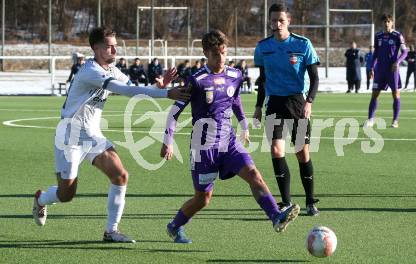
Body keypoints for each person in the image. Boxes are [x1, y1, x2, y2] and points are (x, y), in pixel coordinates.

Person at [32, 26, 190, 243]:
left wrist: (157, 85)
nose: (115, 51)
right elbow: (125, 91)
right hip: (70, 136)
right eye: (109, 47)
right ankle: (42, 198)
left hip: (93, 135)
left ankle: (111, 231)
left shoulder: (111, 69)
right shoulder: (90, 71)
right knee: (66, 194)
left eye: (116, 46)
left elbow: (132, 88)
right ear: (96, 48)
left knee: (120, 175)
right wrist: (166, 93)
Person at [160, 30, 300, 244]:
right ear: (206, 53)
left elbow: (234, 101)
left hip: (229, 142)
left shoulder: (235, 75)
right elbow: (174, 113)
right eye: (216, 54)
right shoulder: (196, 80)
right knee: (203, 199)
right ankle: (174, 225)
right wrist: (168, 142)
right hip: (204, 147)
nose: (221, 58)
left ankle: (275, 216)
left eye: (224, 53)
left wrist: (244, 124)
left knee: (254, 175)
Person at [253, 3, 320, 216]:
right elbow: (262, 81)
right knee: (275, 150)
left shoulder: (303, 44)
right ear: (270, 22)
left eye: (281, 20)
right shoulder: (263, 47)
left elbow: (315, 77)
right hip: (274, 104)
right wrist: (257, 106)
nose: (277, 24)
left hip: (297, 103)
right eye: (274, 20)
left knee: (301, 152)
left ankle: (310, 200)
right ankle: (286, 202)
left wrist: (309, 102)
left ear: (288, 21)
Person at [365, 14, 408, 128]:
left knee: (395, 94)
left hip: (392, 70)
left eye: (388, 21)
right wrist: (372, 67)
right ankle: (370, 119)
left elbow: (405, 52)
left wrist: (397, 62)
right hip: (380, 70)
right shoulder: (378, 35)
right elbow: (376, 53)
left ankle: (395, 120)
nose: (386, 23)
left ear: (392, 22)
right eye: (385, 21)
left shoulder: (397, 35)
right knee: (374, 94)